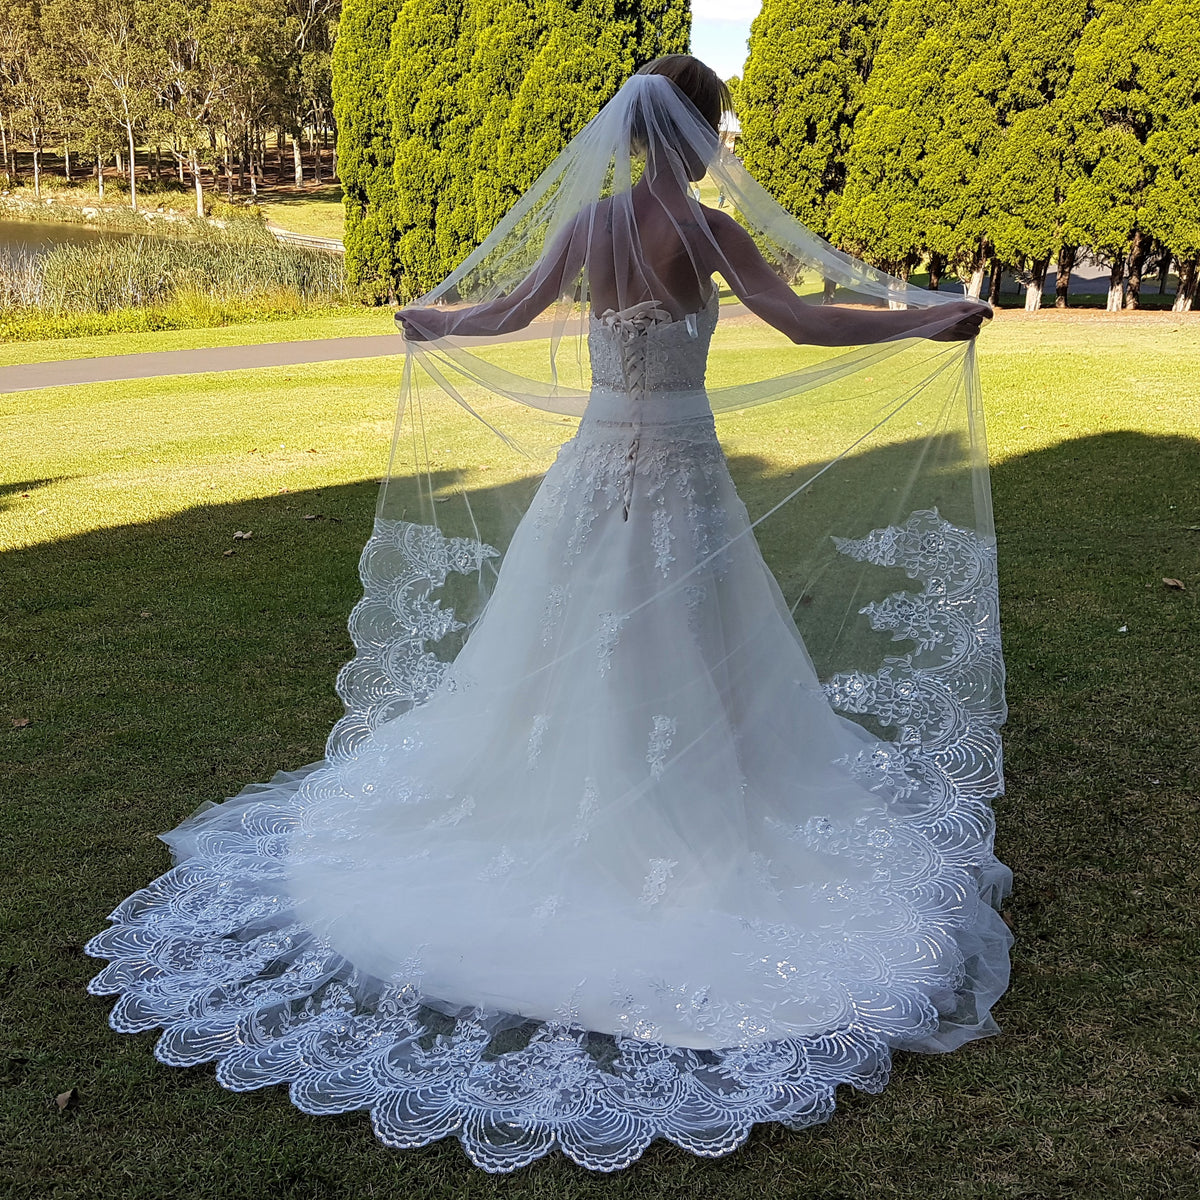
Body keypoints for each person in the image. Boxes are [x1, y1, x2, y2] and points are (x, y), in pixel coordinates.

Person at [87, 57, 1010, 1174]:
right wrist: (929, 318)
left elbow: (512, 310)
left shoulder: (591, 222)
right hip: (679, 469)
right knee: (692, 641)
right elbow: (801, 326)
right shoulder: (707, 230)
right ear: (709, 130)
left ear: (628, 133)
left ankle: (568, 786)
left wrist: (434, 318)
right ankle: (690, 809)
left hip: (597, 469)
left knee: (572, 637)